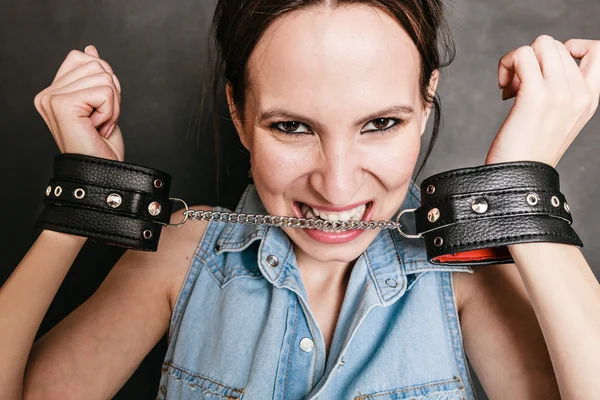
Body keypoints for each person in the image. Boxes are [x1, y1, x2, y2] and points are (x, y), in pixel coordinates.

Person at [2, 0, 599, 399]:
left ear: (426, 102)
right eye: (292, 127)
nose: (338, 188)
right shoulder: (183, 253)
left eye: (381, 122)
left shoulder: (466, 275)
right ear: (238, 113)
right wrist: (80, 199)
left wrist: (524, 188)